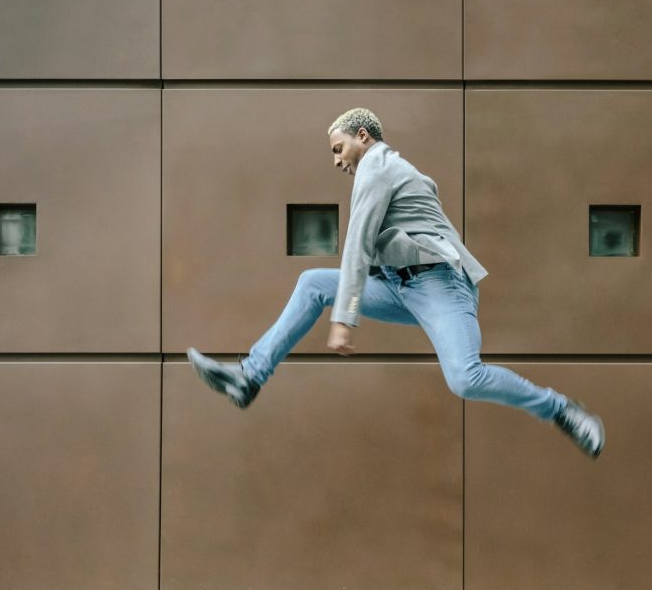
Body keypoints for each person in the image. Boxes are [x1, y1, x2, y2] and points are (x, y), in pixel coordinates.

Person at [188, 108, 604, 458]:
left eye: (339, 149)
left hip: (441, 285)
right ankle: (250, 377)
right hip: (400, 286)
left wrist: (343, 319)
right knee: (313, 282)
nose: (336, 162)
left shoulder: (378, 167)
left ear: (363, 137)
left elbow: (358, 244)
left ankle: (562, 410)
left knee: (465, 378)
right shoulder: (392, 173)